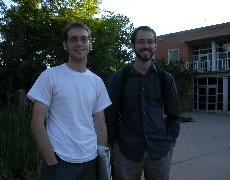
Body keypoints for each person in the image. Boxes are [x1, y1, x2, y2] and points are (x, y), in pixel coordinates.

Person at [27, 22, 111, 180]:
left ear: (90, 44)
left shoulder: (97, 81)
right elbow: (37, 121)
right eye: (73, 39)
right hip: (59, 162)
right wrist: (51, 161)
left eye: (84, 39)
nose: (79, 43)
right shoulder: (50, 76)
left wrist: (102, 159)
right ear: (65, 45)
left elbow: (100, 124)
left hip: (91, 162)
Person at [106, 26, 180, 180]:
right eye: (140, 42)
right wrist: (116, 144)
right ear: (133, 45)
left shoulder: (165, 78)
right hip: (127, 150)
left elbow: (174, 115)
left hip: (159, 149)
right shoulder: (120, 78)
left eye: (149, 42)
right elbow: (110, 115)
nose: (145, 46)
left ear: (155, 45)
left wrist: (171, 141)